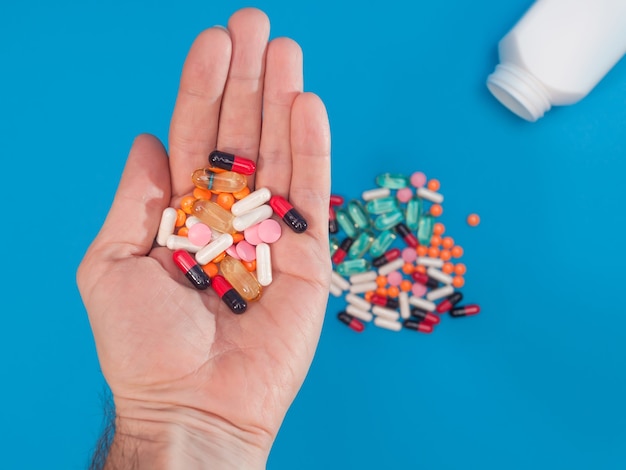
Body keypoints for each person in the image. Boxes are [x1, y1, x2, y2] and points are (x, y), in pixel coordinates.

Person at [76, 7, 331, 469]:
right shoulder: (211, 230)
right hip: (220, 236)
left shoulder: (230, 235)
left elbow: (234, 240)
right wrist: (174, 419)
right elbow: (225, 236)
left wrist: (165, 421)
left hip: (226, 238)